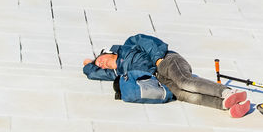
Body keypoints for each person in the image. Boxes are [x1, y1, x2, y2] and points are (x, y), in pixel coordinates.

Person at [82, 33, 252, 117]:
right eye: (100, 65)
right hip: (159, 80)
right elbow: (92, 73)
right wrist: (90, 65)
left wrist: (158, 60)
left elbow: (147, 43)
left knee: (186, 82)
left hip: (167, 62)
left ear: (107, 52)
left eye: (101, 59)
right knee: (185, 95)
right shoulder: (118, 73)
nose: (102, 63)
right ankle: (228, 106)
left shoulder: (128, 45)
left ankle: (229, 93)